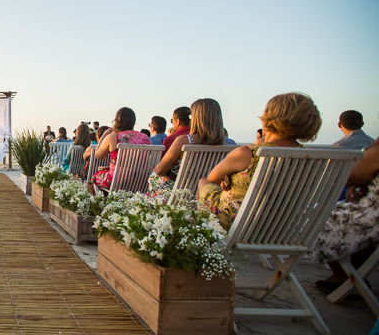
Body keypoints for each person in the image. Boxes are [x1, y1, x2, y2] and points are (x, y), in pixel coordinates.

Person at [197, 92, 322, 231]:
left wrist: (227, 177)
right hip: (283, 227)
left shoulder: (249, 153)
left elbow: (212, 178)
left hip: (238, 225)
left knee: (203, 182)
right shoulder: (311, 159)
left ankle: (198, 239)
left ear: (269, 117)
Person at [310, 136, 379, 292]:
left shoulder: (376, 153)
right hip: (371, 220)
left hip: (370, 221)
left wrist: (369, 151)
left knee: (314, 218)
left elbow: (350, 177)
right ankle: (354, 274)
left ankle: (343, 275)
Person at [148, 99, 226, 195]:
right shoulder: (225, 145)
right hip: (202, 193)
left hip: (177, 194)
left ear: (196, 118)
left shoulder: (184, 140)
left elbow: (160, 171)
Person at [90, 107, 151, 192]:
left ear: (117, 120)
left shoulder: (114, 136)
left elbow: (98, 155)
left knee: (95, 177)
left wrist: (104, 135)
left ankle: (101, 203)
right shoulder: (145, 137)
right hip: (141, 181)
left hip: (118, 181)